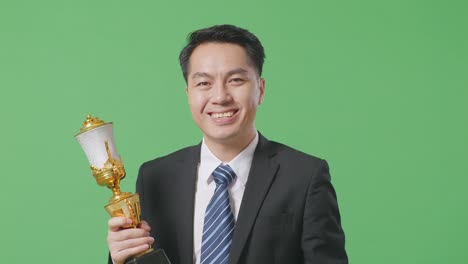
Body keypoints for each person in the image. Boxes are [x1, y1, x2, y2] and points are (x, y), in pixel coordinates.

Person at [107, 24, 348, 264]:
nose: (220, 97)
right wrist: (121, 258)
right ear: (188, 93)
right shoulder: (155, 177)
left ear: (260, 90)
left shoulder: (304, 176)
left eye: (235, 80)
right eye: (204, 83)